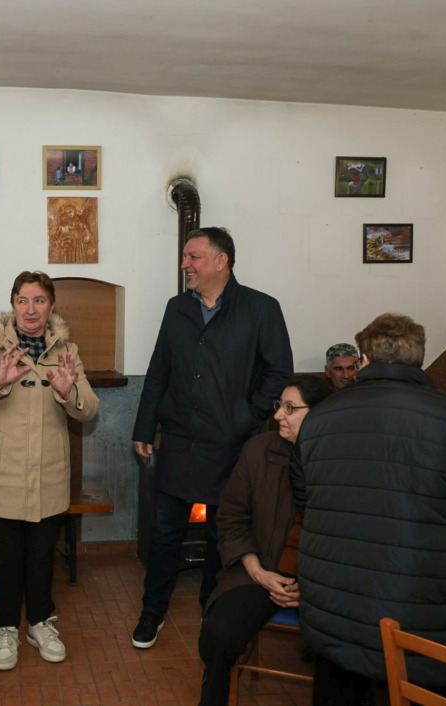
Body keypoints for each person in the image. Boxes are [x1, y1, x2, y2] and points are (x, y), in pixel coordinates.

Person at [293, 313, 446, 704]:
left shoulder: (320, 418)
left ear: (364, 360)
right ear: (419, 359)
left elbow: (305, 495)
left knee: (339, 686)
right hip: (419, 599)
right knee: (418, 691)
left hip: (334, 593)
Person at [131, 226, 293, 649]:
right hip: (179, 442)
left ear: (221, 261)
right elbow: (159, 370)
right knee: (164, 533)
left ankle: (213, 607)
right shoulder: (176, 308)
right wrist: (144, 427)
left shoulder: (261, 308)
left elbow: (279, 372)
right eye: (185, 257)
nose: (185, 264)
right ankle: (152, 611)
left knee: (222, 537)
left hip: (231, 447)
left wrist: (246, 418)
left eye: (194, 257)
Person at [0, 271, 99, 671]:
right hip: (5, 471)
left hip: (49, 471)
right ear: (12, 304)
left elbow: (90, 409)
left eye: (39, 300)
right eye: (23, 300)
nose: (31, 309)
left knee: (43, 554)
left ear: (51, 305)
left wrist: (68, 392)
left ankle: (40, 623)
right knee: (8, 556)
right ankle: (7, 628)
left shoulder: (67, 350)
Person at [198, 375, 331, 706]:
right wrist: (258, 572)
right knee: (219, 635)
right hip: (260, 568)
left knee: (345, 648)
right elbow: (230, 517)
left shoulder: (339, 461)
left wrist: (310, 587)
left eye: (290, 408)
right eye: (279, 405)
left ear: (318, 414)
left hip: (322, 581)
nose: (278, 415)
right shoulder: (259, 450)